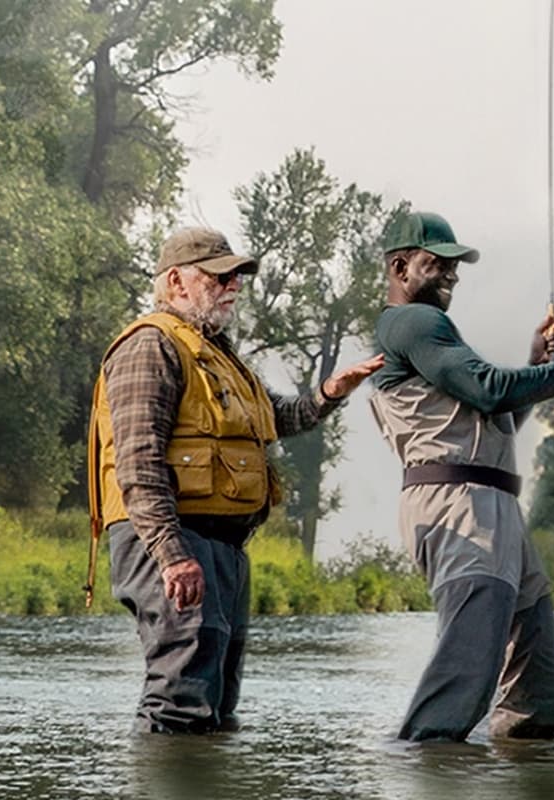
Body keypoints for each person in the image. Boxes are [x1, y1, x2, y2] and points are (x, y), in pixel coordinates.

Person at [86, 225, 384, 734]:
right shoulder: (150, 346)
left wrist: (332, 391)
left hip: (221, 545)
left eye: (237, 277)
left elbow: (278, 418)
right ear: (177, 282)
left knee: (217, 703)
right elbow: (138, 462)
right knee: (180, 698)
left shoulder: (219, 353)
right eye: (220, 277)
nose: (234, 286)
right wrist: (173, 554)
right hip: (169, 541)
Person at [367, 211, 554, 741]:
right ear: (400, 265)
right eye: (439, 263)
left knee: (537, 691)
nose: (452, 274)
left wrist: (534, 359)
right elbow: (491, 389)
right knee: (467, 671)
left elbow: (493, 418)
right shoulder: (413, 323)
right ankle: (422, 765)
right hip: (459, 506)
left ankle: (515, 766)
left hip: (490, 504)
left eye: (456, 265)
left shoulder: (430, 333)